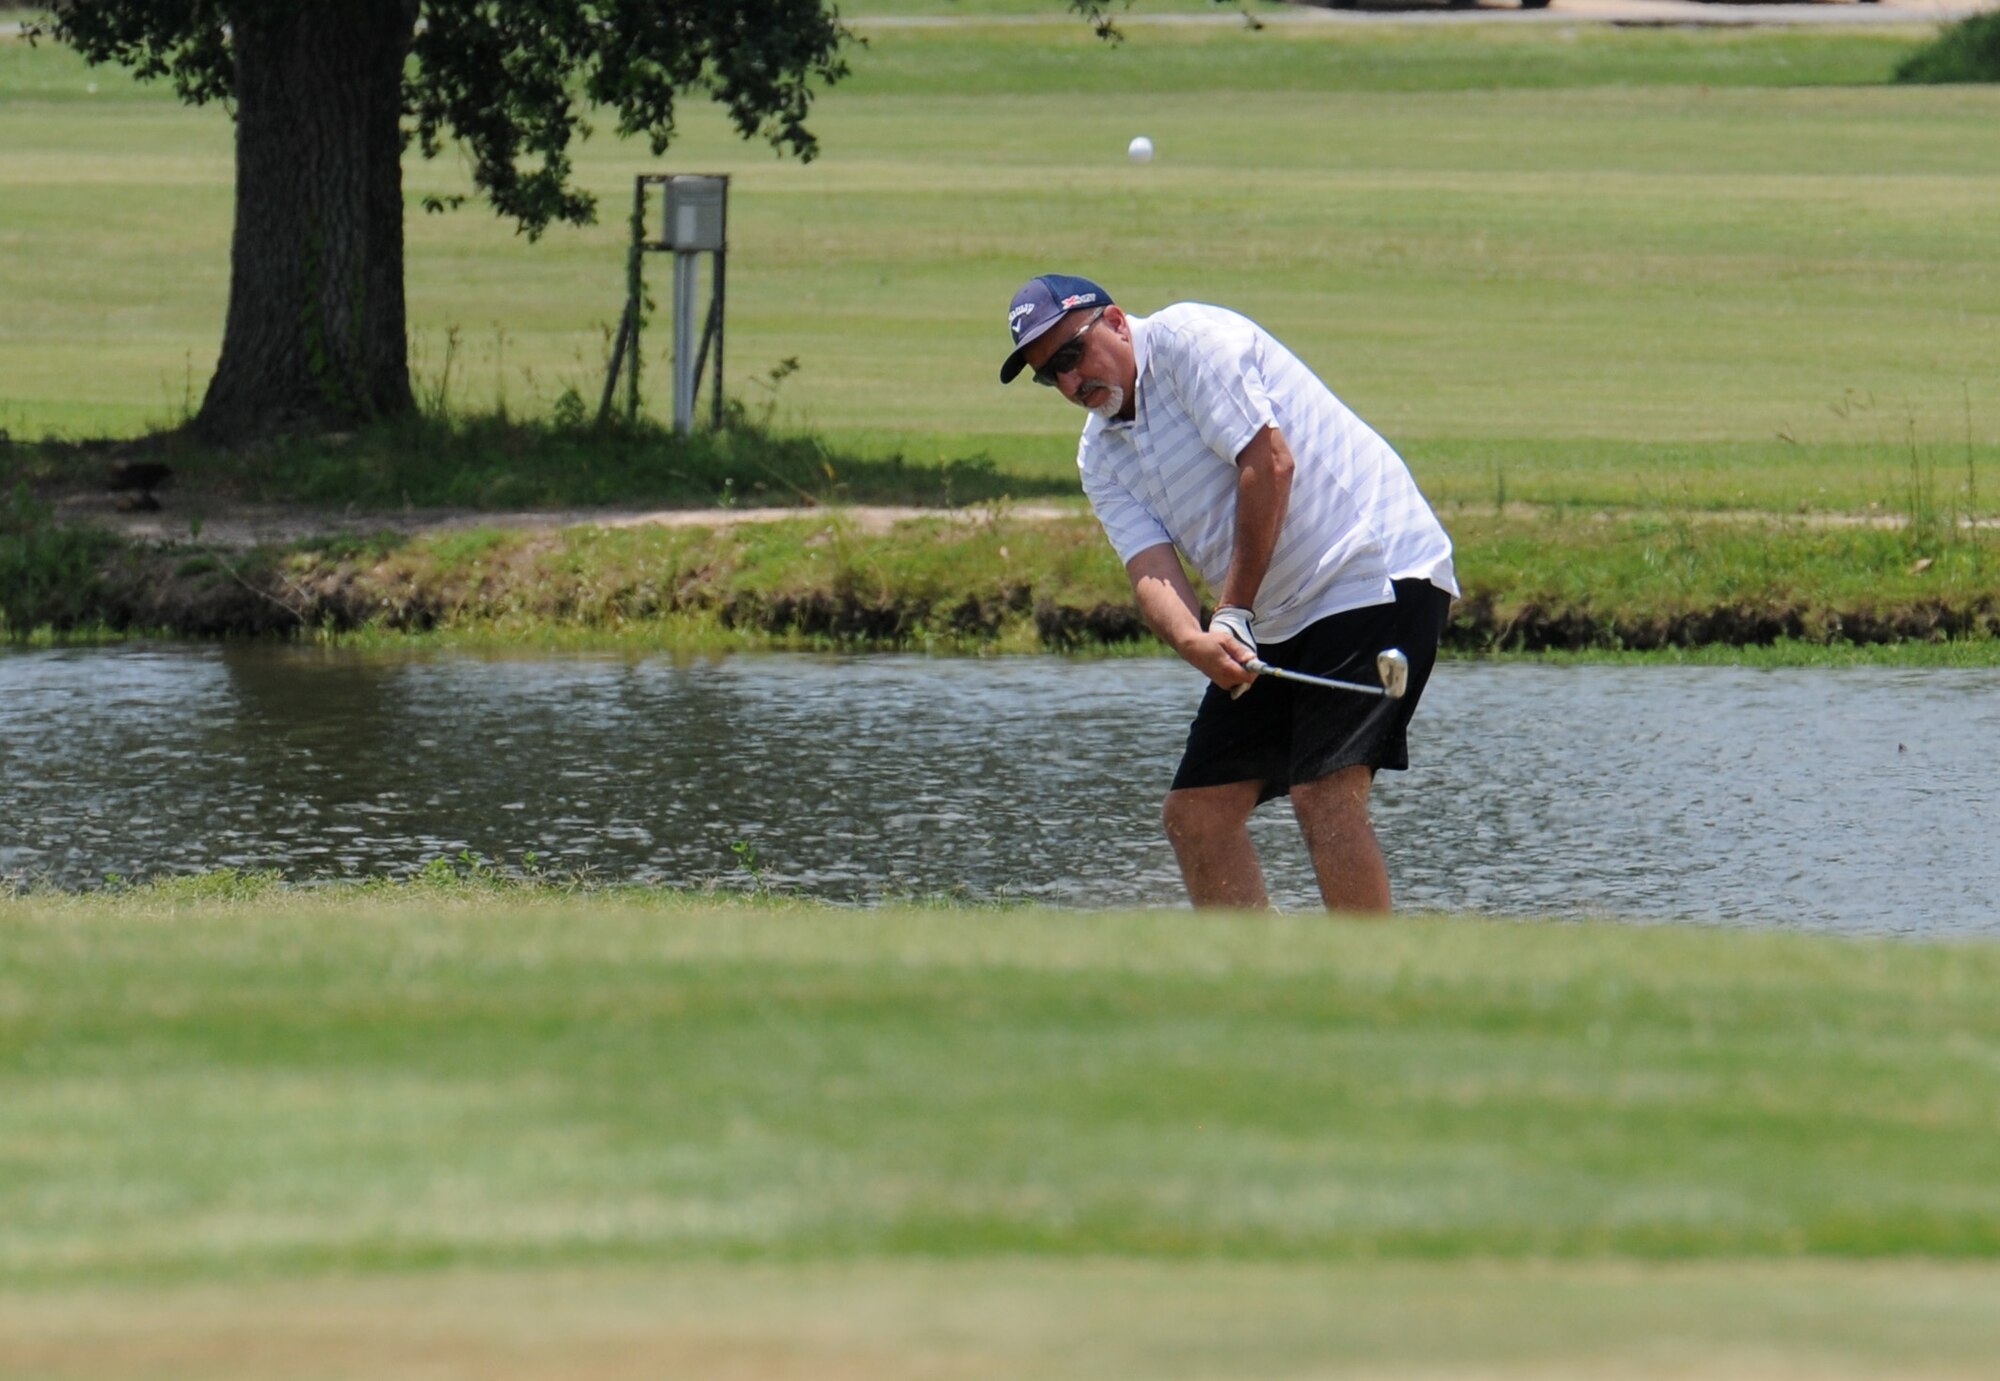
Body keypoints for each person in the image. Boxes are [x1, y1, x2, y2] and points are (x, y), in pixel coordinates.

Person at [1000, 274, 1458, 913]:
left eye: (1072, 355)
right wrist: (1195, 640)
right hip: (1277, 615)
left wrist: (1232, 611)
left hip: (1374, 571)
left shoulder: (1193, 342)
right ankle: (1258, 997)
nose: (1073, 384)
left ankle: (1373, 998)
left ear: (1117, 323)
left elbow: (1269, 463)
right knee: (1195, 816)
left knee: (1323, 795)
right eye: (1052, 377)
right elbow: (1150, 568)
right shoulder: (1100, 454)